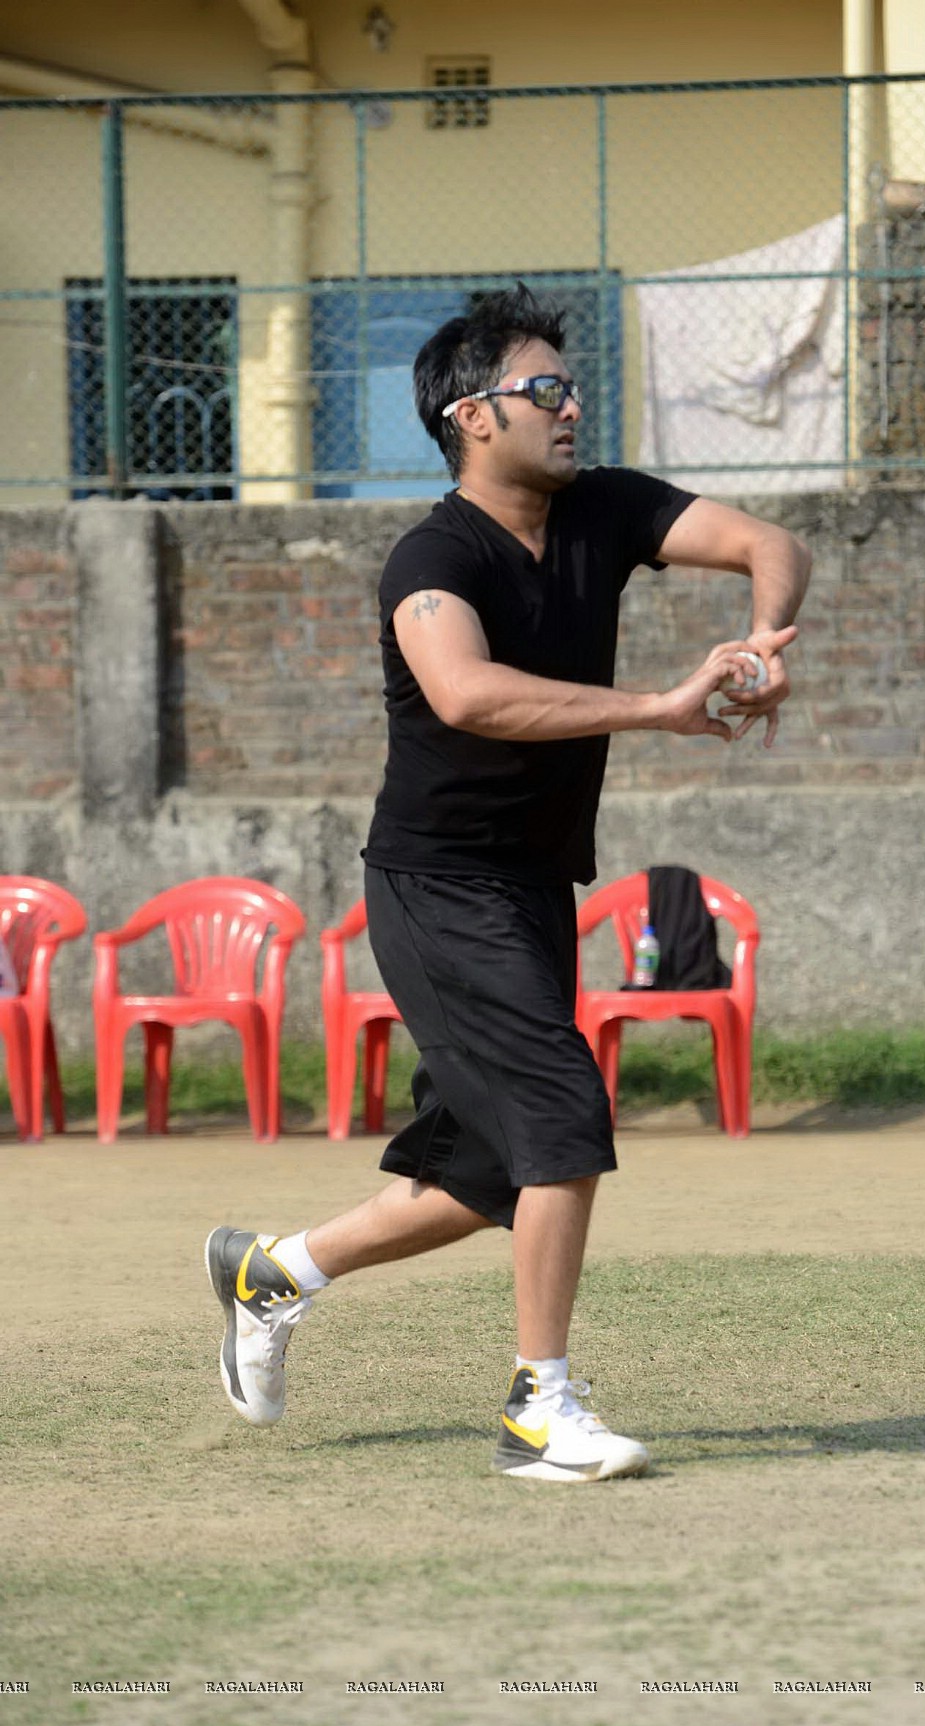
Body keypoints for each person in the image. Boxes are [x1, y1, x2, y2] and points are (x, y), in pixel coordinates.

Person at [206, 284, 811, 1483]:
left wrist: (757, 643)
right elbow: (467, 696)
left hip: (534, 887)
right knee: (562, 1117)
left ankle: (271, 1272)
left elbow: (768, 545)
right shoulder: (431, 557)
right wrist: (658, 707)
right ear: (473, 415)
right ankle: (539, 1407)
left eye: (569, 385)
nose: (570, 405)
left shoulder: (604, 511)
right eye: (545, 389)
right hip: (434, 887)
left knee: (487, 1170)